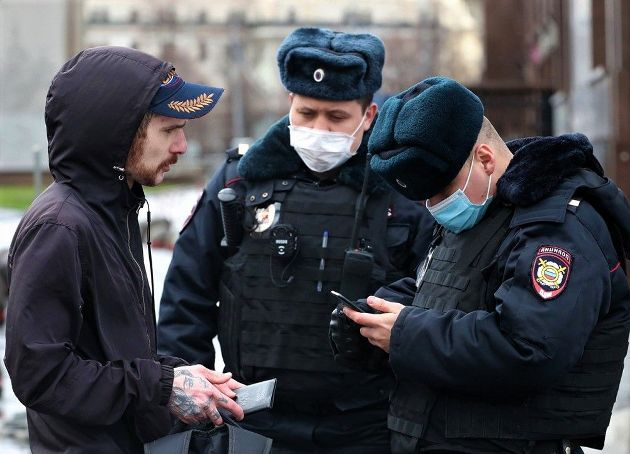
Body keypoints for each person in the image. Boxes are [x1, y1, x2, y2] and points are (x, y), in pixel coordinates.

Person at [157, 28, 435, 452]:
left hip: (367, 427)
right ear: (289, 103)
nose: (319, 129)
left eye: (336, 117)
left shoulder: (404, 193)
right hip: (253, 421)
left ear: (369, 115)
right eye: (306, 113)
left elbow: (433, 308)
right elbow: (185, 302)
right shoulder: (238, 184)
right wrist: (192, 406)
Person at [330, 76, 630, 454]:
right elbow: (443, 291)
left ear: (485, 159)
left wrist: (405, 332)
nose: (433, 206)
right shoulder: (484, 209)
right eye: (425, 197)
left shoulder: (558, 229)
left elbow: (529, 350)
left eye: (441, 191)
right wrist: (373, 316)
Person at [5, 46, 246, 453]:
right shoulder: (59, 228)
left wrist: (177, 374)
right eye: (169, 130)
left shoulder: (113, 210)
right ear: (117, 134)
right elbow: (40, 375)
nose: (182, 146)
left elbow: (109, 349)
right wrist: (161, 386)